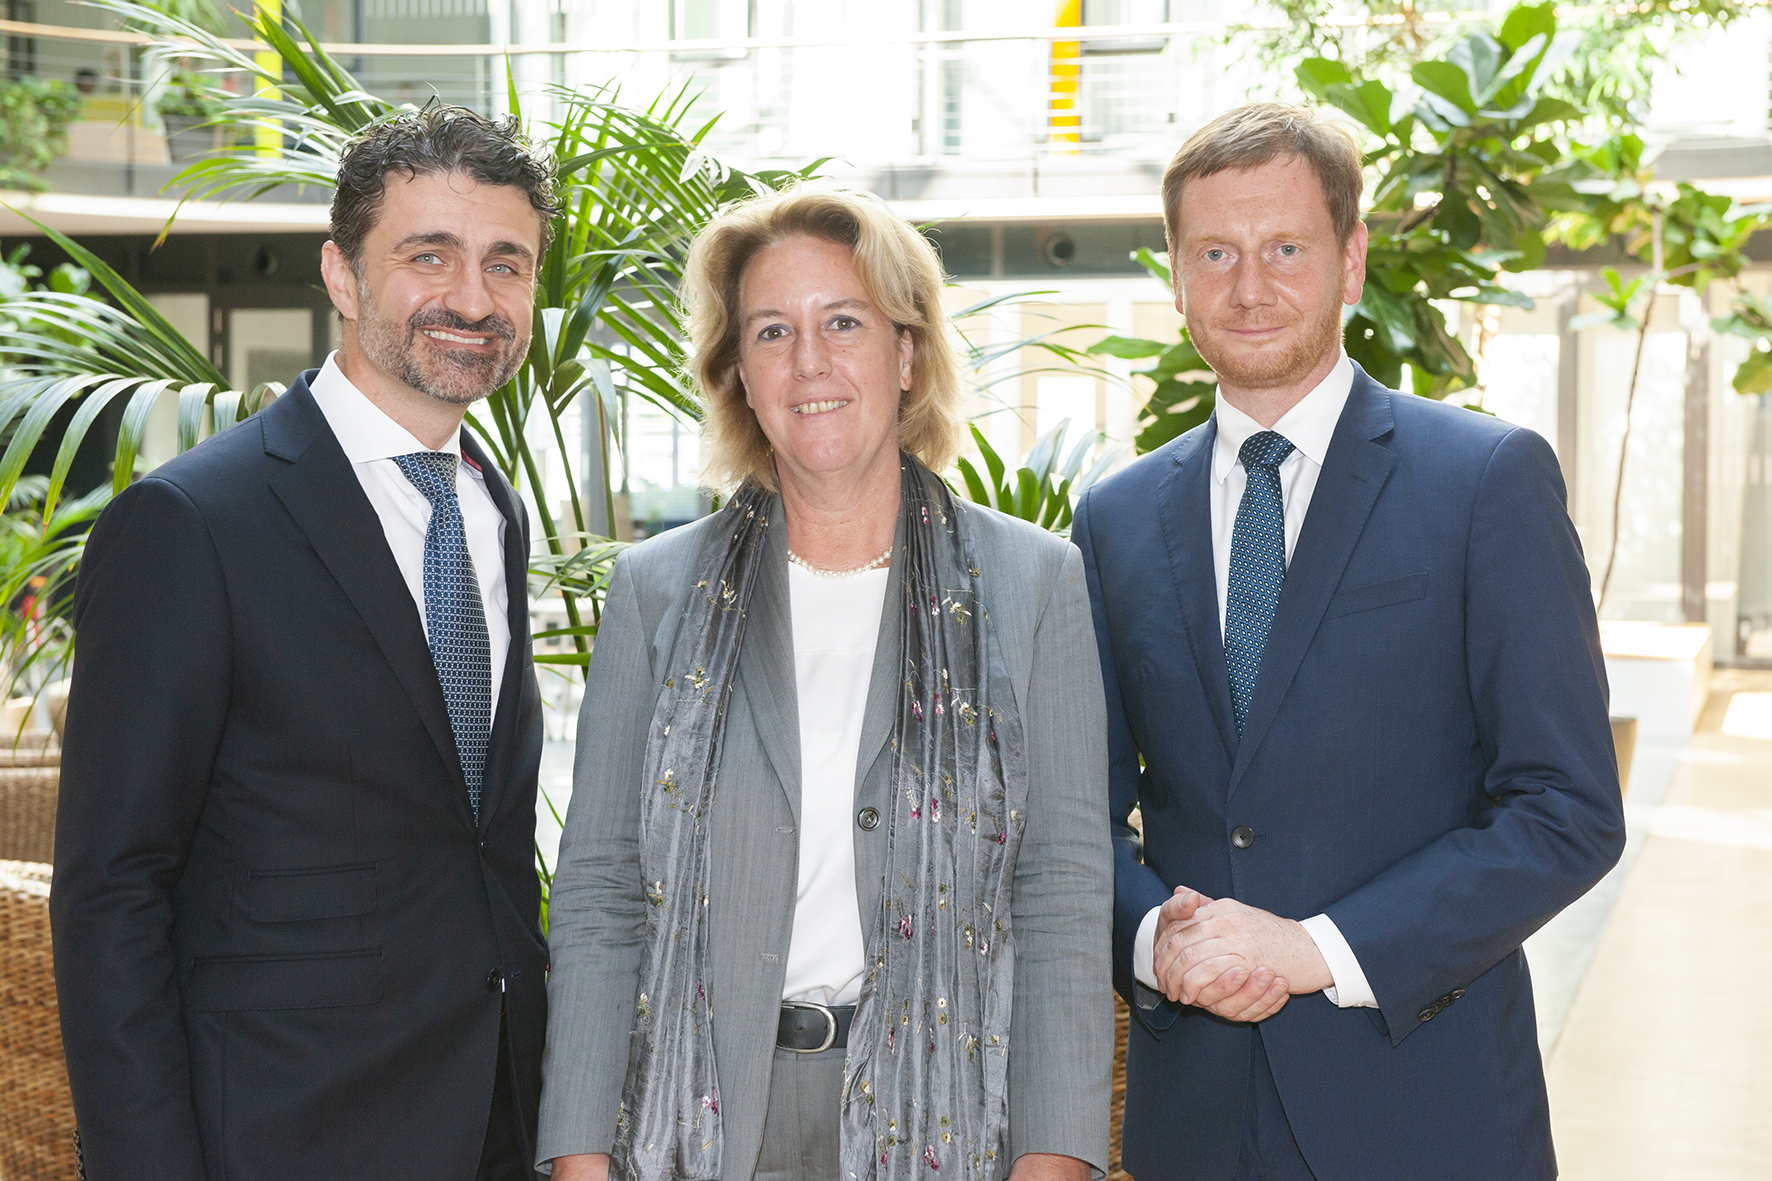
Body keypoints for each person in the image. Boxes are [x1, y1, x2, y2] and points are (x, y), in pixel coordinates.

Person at [1072, 102, 1627, 1181]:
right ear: (1175, 278)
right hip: (1193, 1123)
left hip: (1423, 1103)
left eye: (1285, 248)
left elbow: (1565, 808)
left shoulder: (1482, 480)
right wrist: (1157, 941)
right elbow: (1069, 818)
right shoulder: (1117, 515)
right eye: (1214, 253)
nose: (1248, 286)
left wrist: (1313, 946)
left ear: (1351, 260)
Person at [536, 188, 1112, 1181]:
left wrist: (1053, 1157)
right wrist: (580, 1154)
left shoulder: (1033, 582)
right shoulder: (653, 589)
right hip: (698, 1122)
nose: (809, 361)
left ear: (905, 353)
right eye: (771, 331)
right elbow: (599, 892)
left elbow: (1059, 894)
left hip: (949, 1121)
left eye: (842, 321)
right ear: (738, 376)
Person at [51, 104, 556, 1181]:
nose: (474, 298)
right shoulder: (190, 523)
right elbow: (111, 890)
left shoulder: (492, 514)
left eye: (506, 263)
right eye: (430, 255)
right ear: (341, 274)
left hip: (496, 1124)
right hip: (283, 1134)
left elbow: (473, 846)